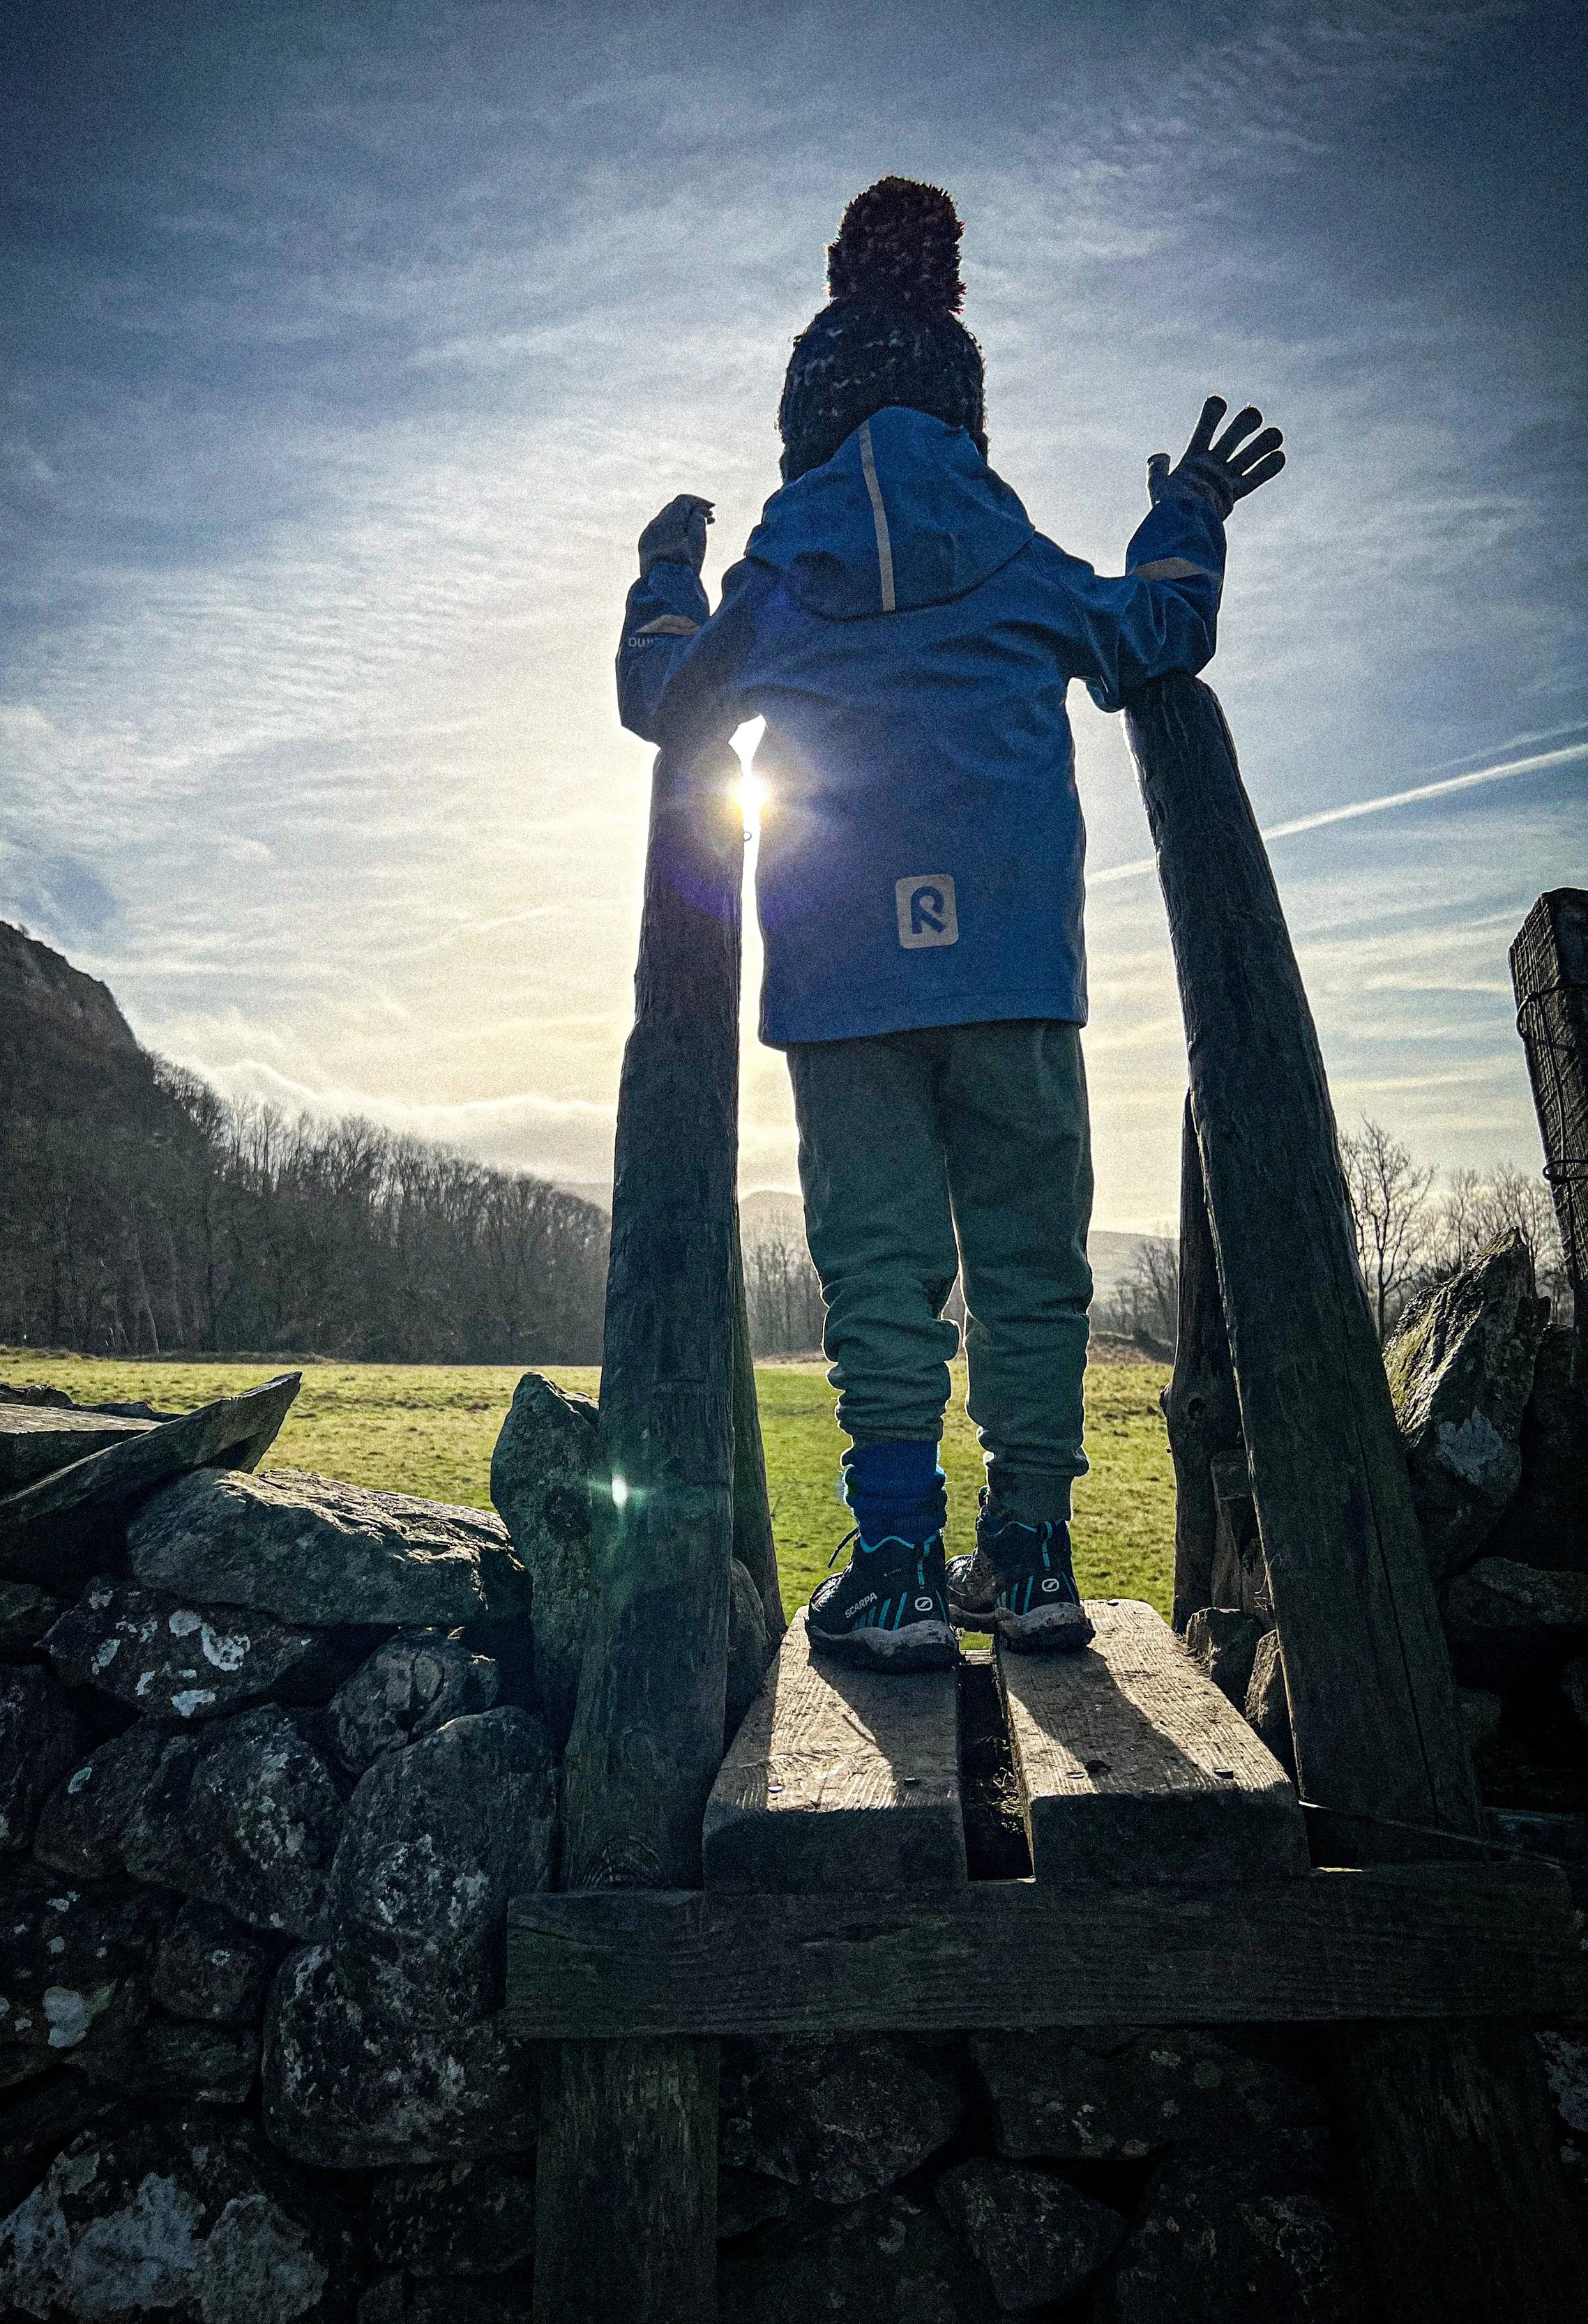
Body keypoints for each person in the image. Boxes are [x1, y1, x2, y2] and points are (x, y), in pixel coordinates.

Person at [615, 177, 1284, 1671]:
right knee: (1032, 1266)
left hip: (842, 982)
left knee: (877, 1275)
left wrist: (663, 572)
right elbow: (1154, 630)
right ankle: (1033, 1559)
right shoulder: (1013, 560)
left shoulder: (777, 577)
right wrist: (1188, 510)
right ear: (960, 414)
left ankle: (903, 1567)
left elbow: (664, 709)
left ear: (806, 419)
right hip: (1012, 976)